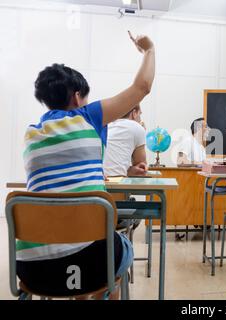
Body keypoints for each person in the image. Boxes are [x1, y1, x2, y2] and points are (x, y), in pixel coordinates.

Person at [19, 31, 155, 298]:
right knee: (117, 248)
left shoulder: (31, 134)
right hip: (90, 263)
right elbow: (142, 87)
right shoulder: (88, 117)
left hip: (33, 270)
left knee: (81, 242)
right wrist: (149, 50)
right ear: (77, 96)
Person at [103, 104, 147, 177]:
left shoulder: (107, 124)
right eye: (140, 114)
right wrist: (141, 132)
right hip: (117, 183)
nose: (140, 119)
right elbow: (141, 168)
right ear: (134, 113)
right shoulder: (137, 127)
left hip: (96, 181)